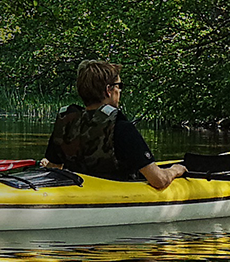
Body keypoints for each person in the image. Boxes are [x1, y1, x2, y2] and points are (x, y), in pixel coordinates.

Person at [44, 60, 187, 189]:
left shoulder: (67, 123)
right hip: (111, 192)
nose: (120, 90)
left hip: (79, 190)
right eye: (119, 86)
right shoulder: (121, 127)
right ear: (108, 90)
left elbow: (54, 168)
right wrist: (175, 170)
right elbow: (159, 180)